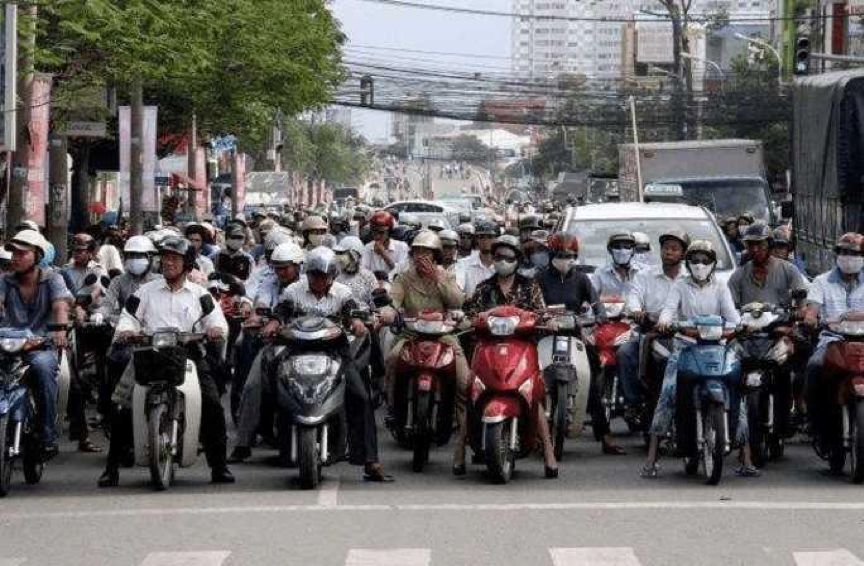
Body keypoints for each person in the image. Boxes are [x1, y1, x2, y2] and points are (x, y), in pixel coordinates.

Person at [99, 236, 234, 486]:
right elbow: (128, 316)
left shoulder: (200, 294)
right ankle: (111, 468)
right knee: (120, 406)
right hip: (147, 354)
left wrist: (215, 329)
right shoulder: (145, 292)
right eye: (166, 258)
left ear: (188, 264)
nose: (168, 263)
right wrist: (127, 330)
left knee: (213, 404)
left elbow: (216, 320)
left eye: (175, 258)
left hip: (189, 355)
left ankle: (219, 466)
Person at [266, 247, 393, 482]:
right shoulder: (294, 291)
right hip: (297, 350)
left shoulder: (343, 293)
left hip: (335, 352)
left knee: (360, 396)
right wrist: (274, 323)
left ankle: (370, 460)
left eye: (323, 276)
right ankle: (274, 439)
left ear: (332, 276)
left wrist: (356, 322)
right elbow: (280, 312)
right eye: (314, 275)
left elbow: (352, 311)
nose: (318, 280)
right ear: (307, 274)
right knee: (270, 382)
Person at [642, 240, 753, 478]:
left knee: (737, 394)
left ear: (712, 264)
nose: (700, 265)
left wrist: (742, 326)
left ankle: (746, 457)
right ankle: (652, 458)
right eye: (695, 260)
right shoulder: (680, 285)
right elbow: (669, 309)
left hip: (719, 346)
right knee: (668, 394)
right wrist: (665, 321)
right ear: (688, 263)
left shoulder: (721, 286)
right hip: (686, 345)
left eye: (705, 261)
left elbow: (732, 316)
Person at [463, 234, 558, 477]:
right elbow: (470, 313)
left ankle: (549, 453)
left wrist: (548, 321)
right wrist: (468, 320)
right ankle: (458, 452)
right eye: (497, 257)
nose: (501, 261)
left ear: (517, 260)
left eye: (507, 257)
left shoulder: (530, 286)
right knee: (473, 392)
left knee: (533, 393)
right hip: (487, 348)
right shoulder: (484, 288)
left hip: (522, 349)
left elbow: (541, 313)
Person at [379, 231, 470, 474]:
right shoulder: (404, 278)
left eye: (426, 253)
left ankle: (463, 431)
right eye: (417, 252)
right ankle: (391, 407)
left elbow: (457, 302)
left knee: (464, 380)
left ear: (436, 256)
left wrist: (437, 279)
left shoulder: (446, 275)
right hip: (411, 335)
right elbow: (393, 301)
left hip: (444, 336)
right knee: (391, 359)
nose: (421, 258)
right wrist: (388, 311)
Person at [229, 241, 305, 462]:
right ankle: (243, 444)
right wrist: (257, 318)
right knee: (252, 386)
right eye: (277, 267)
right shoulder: (269, 283)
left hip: (308, 346)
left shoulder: (306, 285)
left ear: (298, 266)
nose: (280, 272)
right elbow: (260, 306)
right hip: (277, 344)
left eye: (285, 267)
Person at [0, 230, 72, 459]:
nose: (16, 258)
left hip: (40, 345)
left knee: (43, 369)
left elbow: (60, 305)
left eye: (23, 253)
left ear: (37, 256)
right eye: (14, 253)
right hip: (6, 345)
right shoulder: (4, 281)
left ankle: (47, 434)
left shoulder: (52, 278)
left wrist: (60, 331)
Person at [618, 230, 690, 430]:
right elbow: (634, 296)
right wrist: (636, 311)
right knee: (625, 353)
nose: (669, 252)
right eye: (666, 248)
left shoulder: (689, 278)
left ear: (683, 254)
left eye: (674, 249)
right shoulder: (645, 275)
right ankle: (633, 403)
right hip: (649, 332)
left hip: (682, 336)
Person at [803, 233, 864, 461]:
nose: (849, 258)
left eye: (855, 254)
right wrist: (811, 317)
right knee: (814, 367)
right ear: (836, 255)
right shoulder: (821, 281)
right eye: (844, 253)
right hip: (832, 340)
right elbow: (812, 309)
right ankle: (815, 421)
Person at [728, 223, 808, 308]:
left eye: (760, 244)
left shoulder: (789, 270)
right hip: (748, 320)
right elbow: (730, 307)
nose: (755, 249)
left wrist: (800, 311)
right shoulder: (739, 275)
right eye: (751, 245)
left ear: (769, 244)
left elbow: (802, 304)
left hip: (782, 320)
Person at [361, 210, 409, 281]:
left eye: (381, 233)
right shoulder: (368, 247)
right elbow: (363, 270)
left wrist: (384, 255)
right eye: (374, 232)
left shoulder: (402, 247)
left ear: (389, 232)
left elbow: (402, 272)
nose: (377, 236)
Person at [454, 219, 498, 297]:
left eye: (490, 237)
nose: (485, 240)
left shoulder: (503, 263)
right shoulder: (463, 264)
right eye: (481, 237)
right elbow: (458, 286)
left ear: (497, 239)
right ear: (476, 239)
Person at [591, 232, 640, 298]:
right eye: (617, 247)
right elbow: (590, 297)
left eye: (627, 247)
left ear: (633, 250)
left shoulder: (641, 273)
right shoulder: (600, 273)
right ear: (610, 250)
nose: (622, 251)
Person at [335, 236, 378, 308]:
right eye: (338, 253)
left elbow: (374, 303)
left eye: (342, 253)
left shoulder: (368, 276)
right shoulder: (335, 275)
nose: (339, 257)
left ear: (354, 255)